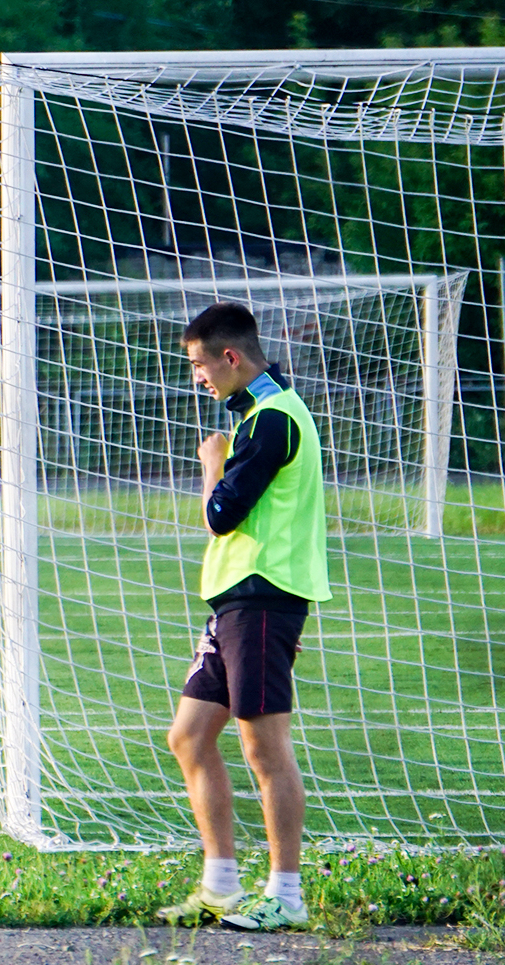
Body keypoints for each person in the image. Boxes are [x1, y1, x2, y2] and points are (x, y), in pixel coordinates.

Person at [159, 302, 329, 933]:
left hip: (262, 597)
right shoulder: (266, 413)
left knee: (264, 749)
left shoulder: (273, 421)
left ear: (231, 357)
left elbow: (220, 514)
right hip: (240, 601)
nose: (198, 377)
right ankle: (221, 887)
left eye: (201, 364)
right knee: (190, 735)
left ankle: (286, 894)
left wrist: (212, 466)